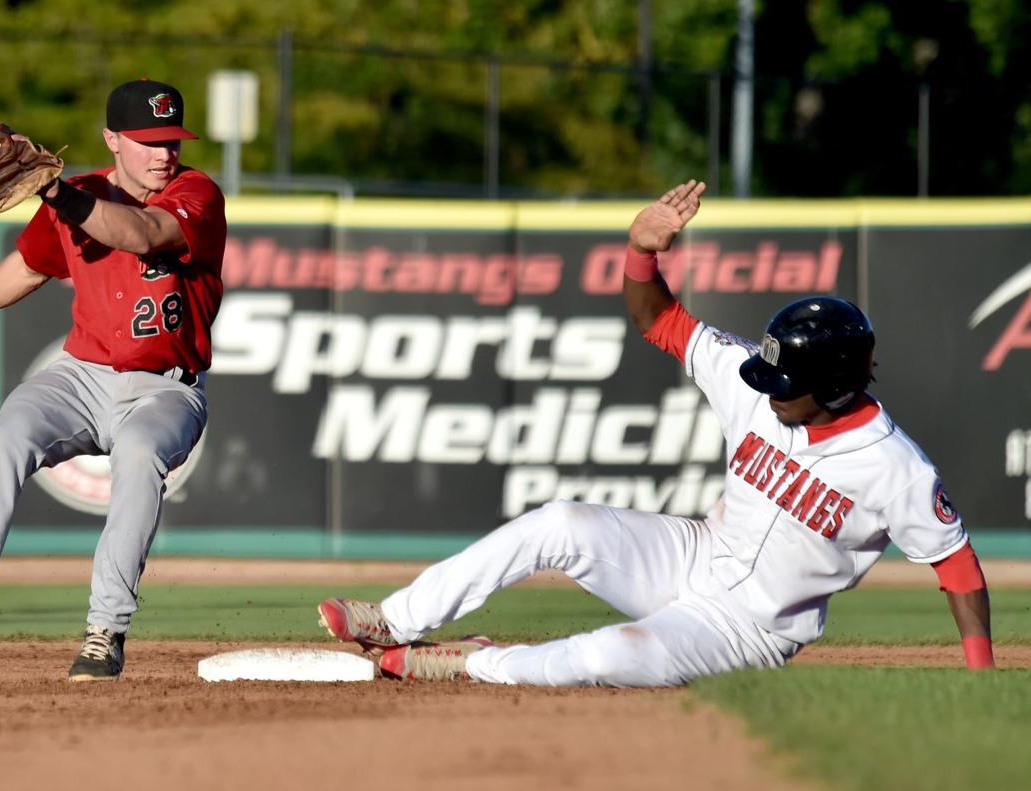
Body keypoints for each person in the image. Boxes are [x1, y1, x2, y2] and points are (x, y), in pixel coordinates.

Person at [318, 180, 993, 686]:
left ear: (840, 386)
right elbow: (657, 319)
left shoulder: (892, 464)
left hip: (748, 627)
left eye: (790, 385)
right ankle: (396, 618)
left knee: (614, 653)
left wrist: (979, 675)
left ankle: (480, 663)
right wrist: (641, 250)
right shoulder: (753, 383)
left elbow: (956, 564)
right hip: (692, 554)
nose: (771, 392)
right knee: (560, 521)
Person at [0, 78, 227, 682]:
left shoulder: (196, 193)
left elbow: (141, 233)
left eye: (170, 139)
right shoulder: (81, 192)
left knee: (141, 453)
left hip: (166, 388)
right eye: (147, 141)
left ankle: (105, 632)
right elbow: (22, 271)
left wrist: (53, 191)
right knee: (1, 444)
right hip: (78, 376)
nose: (163, 153)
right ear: (112, 140)